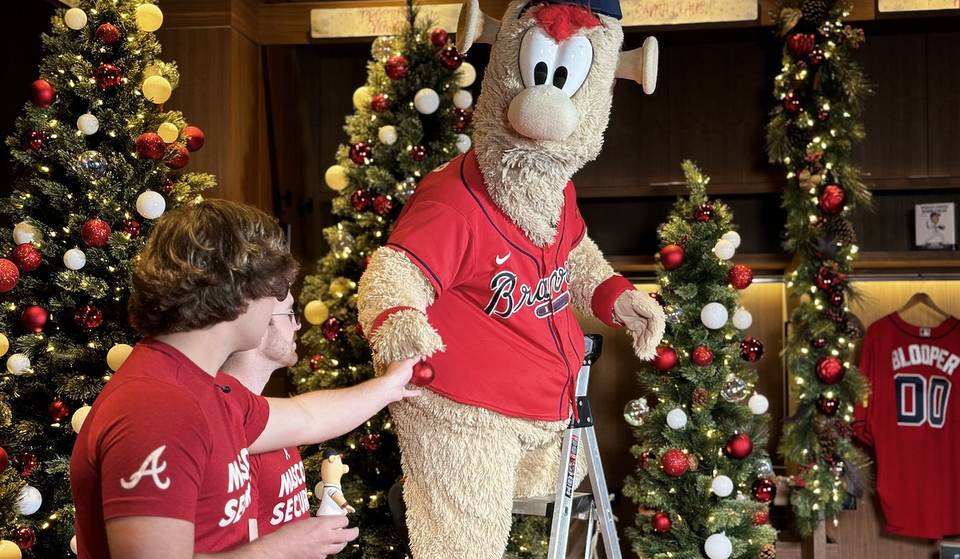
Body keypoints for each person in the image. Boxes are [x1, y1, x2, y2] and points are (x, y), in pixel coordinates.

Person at [70, 199, 421, 559]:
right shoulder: (158, 407)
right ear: (240, 293)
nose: (275, 307)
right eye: (275, 292)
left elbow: (307, 417)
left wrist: (389, 386)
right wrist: (283, 548)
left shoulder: (205, 388)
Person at [218, 293, 310, 540]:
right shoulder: (232, 429)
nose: (298, 324)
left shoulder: (266, 414)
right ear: (258, 325)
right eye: (291, 313)